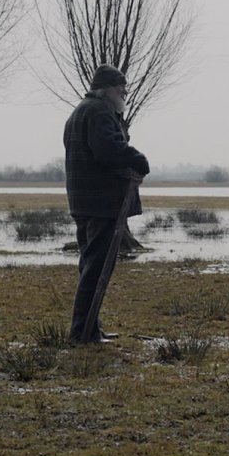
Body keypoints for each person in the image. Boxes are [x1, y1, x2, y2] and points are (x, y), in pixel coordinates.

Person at [63, 64, 150, 343]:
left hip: (84, 202)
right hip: (100, 204)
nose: (125, 92)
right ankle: (83, 333)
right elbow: (108, 151)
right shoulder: (99, 112)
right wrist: (138, 161)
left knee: (90, 266)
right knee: (96, 269)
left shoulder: (80, 112)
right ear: (107, 89)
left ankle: (89, 329)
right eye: (121, 87)